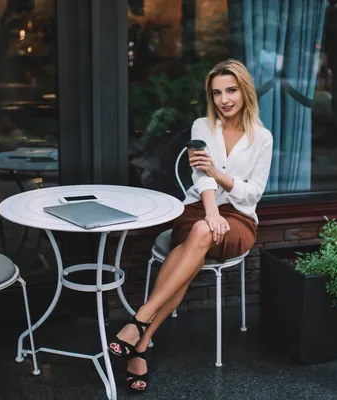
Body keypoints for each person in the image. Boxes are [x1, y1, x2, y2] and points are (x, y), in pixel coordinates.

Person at [108, 59, 273, 392]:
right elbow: (201, 178)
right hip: (198, 208)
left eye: (231, 90)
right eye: (216, 93)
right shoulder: (203, 127)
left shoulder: (262, 138)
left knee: (196, 241)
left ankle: (140, 322)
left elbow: (253, 192)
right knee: (197, 236)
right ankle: (141, 342)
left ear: (244, 91)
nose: (224, 99)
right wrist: (212, 213)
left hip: (240, 219)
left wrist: (219, 175)